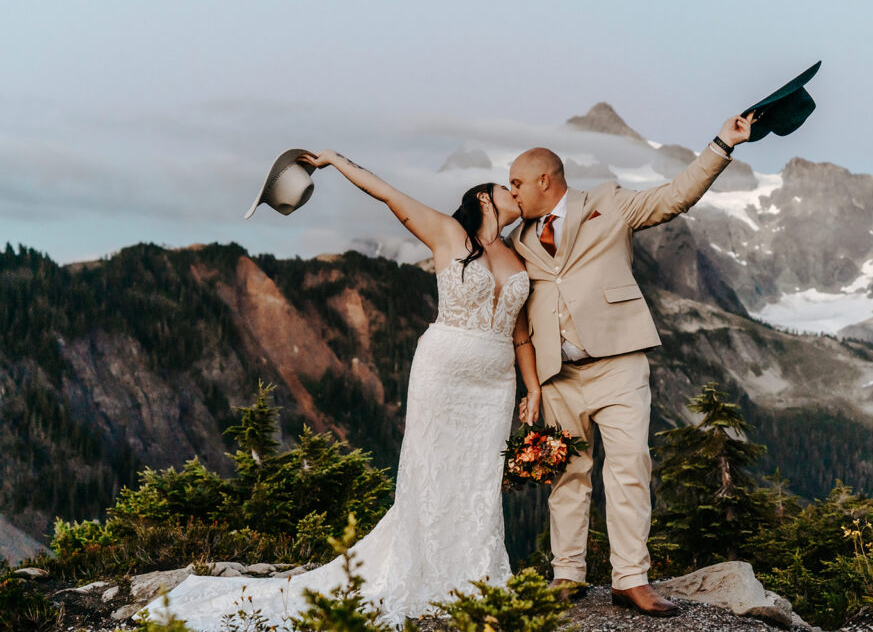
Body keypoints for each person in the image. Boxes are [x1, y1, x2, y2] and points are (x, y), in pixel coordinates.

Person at [136, 150, 544, 629]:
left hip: (495, 383)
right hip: (443, 374)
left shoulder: (519, 254)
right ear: (482, 196)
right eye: (505, 186)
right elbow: (386, 192)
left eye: (518, 186)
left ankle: (473, 577)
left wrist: (532, 388)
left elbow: (520, 331)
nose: (513, 192)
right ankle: (423, 573)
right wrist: (334, 160)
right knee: (430, 473)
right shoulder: (447, 233)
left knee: (478, 481)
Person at [509, 114, 753, 617]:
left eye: (517, 184)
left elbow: (673, 197)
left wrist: (722, 144)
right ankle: (567, 575)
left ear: (545, 181)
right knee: (566, 475)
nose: (513, 194)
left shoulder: (607, 203)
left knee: (629, 469)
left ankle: (631, 580)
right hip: (557, 375)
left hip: (618, 363)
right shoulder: (517, 238)